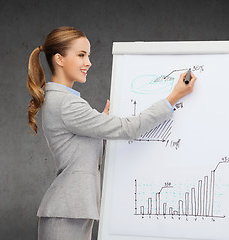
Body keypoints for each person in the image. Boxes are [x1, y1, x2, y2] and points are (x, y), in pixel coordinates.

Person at [26, 26, 197, 240]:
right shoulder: (66, 103)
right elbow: (129, 128)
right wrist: (172, 98)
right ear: (59, 59)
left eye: (88, 55)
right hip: (67, 210)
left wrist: (101, 123)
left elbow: (83, 151)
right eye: (81, 55)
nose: (88, 62)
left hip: (73, 210)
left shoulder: (64, 101)